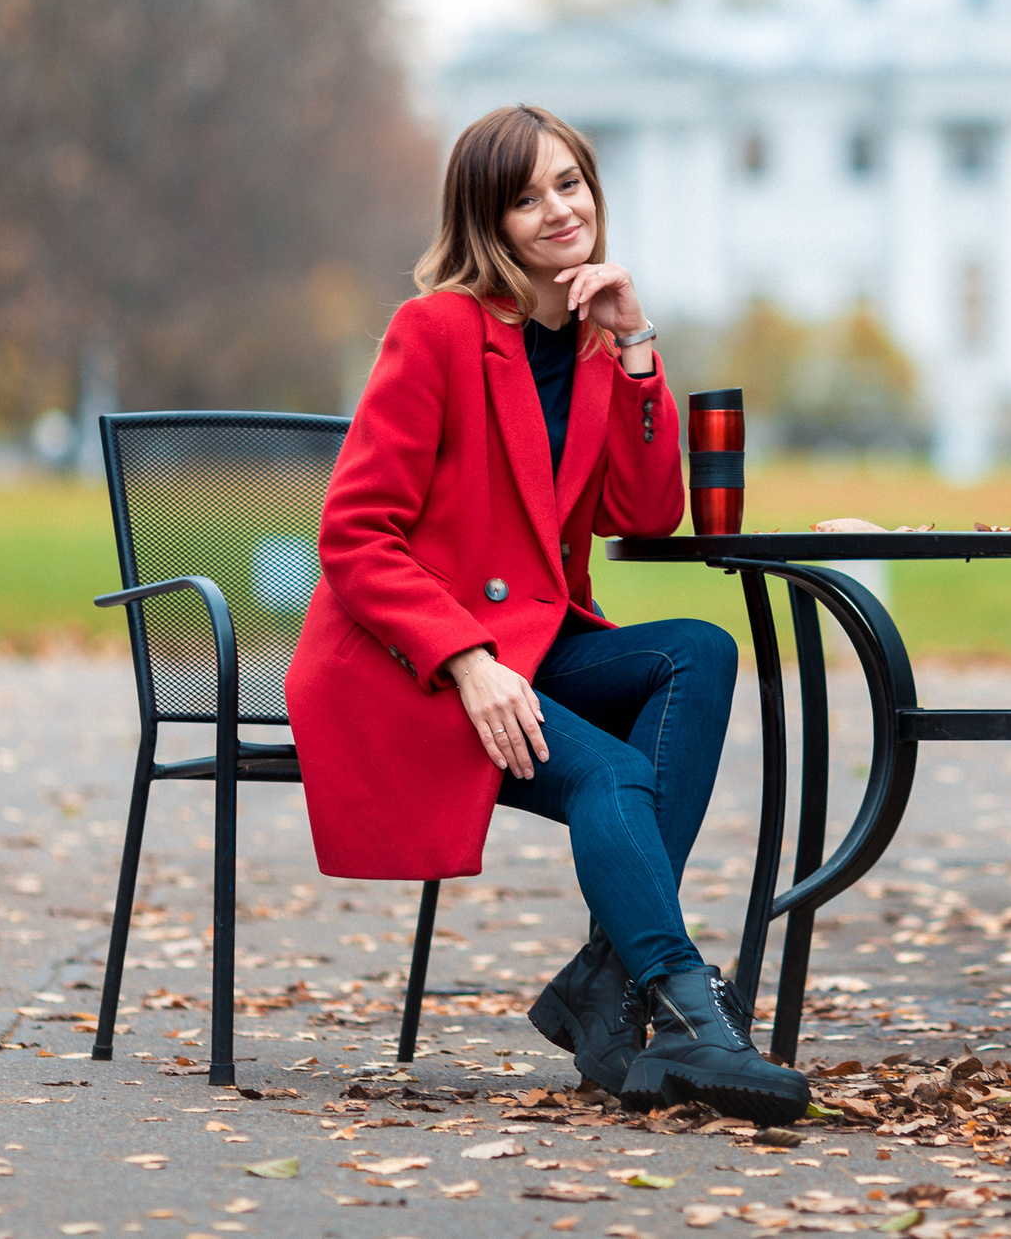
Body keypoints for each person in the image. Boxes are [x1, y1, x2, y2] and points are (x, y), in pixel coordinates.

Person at [284, 104, 808, 1124]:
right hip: (407, 663)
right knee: (611, 770)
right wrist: (467, 661)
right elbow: (353, 534)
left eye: (569, 184)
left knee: (697, 652)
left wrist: (638, 347)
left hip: (528, 640)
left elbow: (646, 512)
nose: (557, 209)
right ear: (489, 222)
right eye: (526, 197)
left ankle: (600, 989)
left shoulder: (588, 341)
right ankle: (690, 1019)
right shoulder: (434, 330)